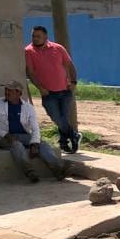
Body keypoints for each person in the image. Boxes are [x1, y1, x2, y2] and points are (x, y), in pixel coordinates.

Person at [0, 80, 66, 183]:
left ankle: (58, 170)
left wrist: (34, 143)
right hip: (3, 137)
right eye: (6, 90)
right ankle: (30, 172)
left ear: (19, 93)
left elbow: (35, 128)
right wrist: (5, 135)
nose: (7, 92)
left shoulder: (28, 107)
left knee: (43, 145)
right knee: (17, 145)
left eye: (10, 90)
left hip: (24, 136)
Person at [24, 25, 81, 154]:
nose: (35, 38)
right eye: (33, 36)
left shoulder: (58, 48)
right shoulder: (28, 51)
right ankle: (74, 135)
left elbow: (70, 65)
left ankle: (63, 143)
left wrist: (73, 82)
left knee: (63, 119)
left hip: (65, 91)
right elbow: (31, 73)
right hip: (48, 93)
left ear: (45, 37)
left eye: (38, 36)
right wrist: (40, 88)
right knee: (56, 118)